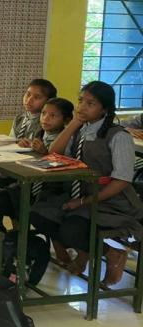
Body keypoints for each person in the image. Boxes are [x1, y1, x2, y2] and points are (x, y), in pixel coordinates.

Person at [30, 81, 143, 285]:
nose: (82, 107)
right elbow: (54, 153)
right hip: (80, 194)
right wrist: (74, 123)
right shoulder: (80, 130)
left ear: (104, 109)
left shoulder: (119, 136)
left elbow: (122, 180)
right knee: (39, 214)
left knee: (71, 229)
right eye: (81, 101)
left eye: (90, 104)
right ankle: (85, 253)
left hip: (111, 201)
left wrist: (84, 201)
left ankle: (113, 252)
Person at [0, 78, 57, 222]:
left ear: (49, 101)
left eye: (37, 97)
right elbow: (11, 141)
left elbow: (47, 151)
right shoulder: (20, 118)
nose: (29, 100)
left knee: (7, 194)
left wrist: (33, 146)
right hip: (10, 166)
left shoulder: (46, 122)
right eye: (28, 94)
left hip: (27, 172)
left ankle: (2, 225)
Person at [0, 98, 74, 232]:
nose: (45, 118)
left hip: (51, 188)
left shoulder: (66, 140)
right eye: (44, 113)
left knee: (19, 196)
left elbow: (63, 164)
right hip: (29, 183)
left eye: (53, 116)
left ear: (66, 121)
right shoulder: (39, 134)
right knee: (2, 197)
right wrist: (23, 146)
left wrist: (45, 153)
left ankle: (22, 236)